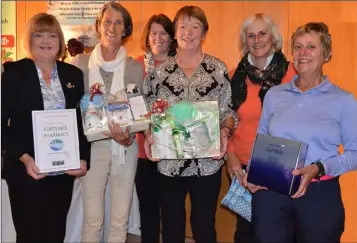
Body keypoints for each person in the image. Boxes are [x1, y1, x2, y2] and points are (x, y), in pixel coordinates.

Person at [244, 22, 357, 243]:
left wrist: (319, 168)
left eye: (311, 47)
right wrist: (253, 174)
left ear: (327, 54)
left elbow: (355, 154)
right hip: (272, 192)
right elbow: (262, 142)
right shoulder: (274, 95)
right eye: (297, 47)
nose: (303, 53)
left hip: (319, 194)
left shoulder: (343, 100)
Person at [143, 5, 237, 243]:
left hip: (207, 163)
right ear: (175, 32)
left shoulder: (217, 69)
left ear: (204, 33)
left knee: (204, 225)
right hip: (169, 161)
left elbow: (228, 110)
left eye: (195, 26)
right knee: (172, 225)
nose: (188, 32)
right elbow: (147, 110)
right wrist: (148, 135)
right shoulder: (159, 72)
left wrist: (225, 131)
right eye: (183, 26)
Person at [1, 13, 90, 243]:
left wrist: (83, 159)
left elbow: (81, 123)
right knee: (29, 234)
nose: (45, 41)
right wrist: (24, 158)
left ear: (60, 41)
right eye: (38, 35)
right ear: (29, 40)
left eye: (52, 35)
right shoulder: (13, 73)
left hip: (62, 172)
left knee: (55, 232)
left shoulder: (73, 75)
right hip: (27, 171)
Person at [70, 2, 143, 242]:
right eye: (107, 21)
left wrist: (128, 136)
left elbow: (138, 112)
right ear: (99, 26)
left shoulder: (134, 67)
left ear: (126, 29)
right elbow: (73, 111)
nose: (112, 27)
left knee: (119, 218)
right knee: (92, 218)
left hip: (124, 148)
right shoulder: (80, 64)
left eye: (118, 22)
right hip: (92, 148)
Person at [226, 13, 296, 243]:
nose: (257, 40)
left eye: (262, 33)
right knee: (245, 232)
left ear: (274, 39)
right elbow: (225, 120)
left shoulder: (292, 74)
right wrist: (231, 158)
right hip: (242, 166)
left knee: (275, 232)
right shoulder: (235, 76)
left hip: (278, 165)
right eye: (251, 36)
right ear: (245, 42)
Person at [135, 14, 176, 243]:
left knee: (171, 213)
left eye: (164, 33)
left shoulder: (182, 64)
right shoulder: (136, 64)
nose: (158, 38)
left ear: (171, 38)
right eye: (153, 32)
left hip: (173, 150)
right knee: (148, 212)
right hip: (145, 151)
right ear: (147, 36)